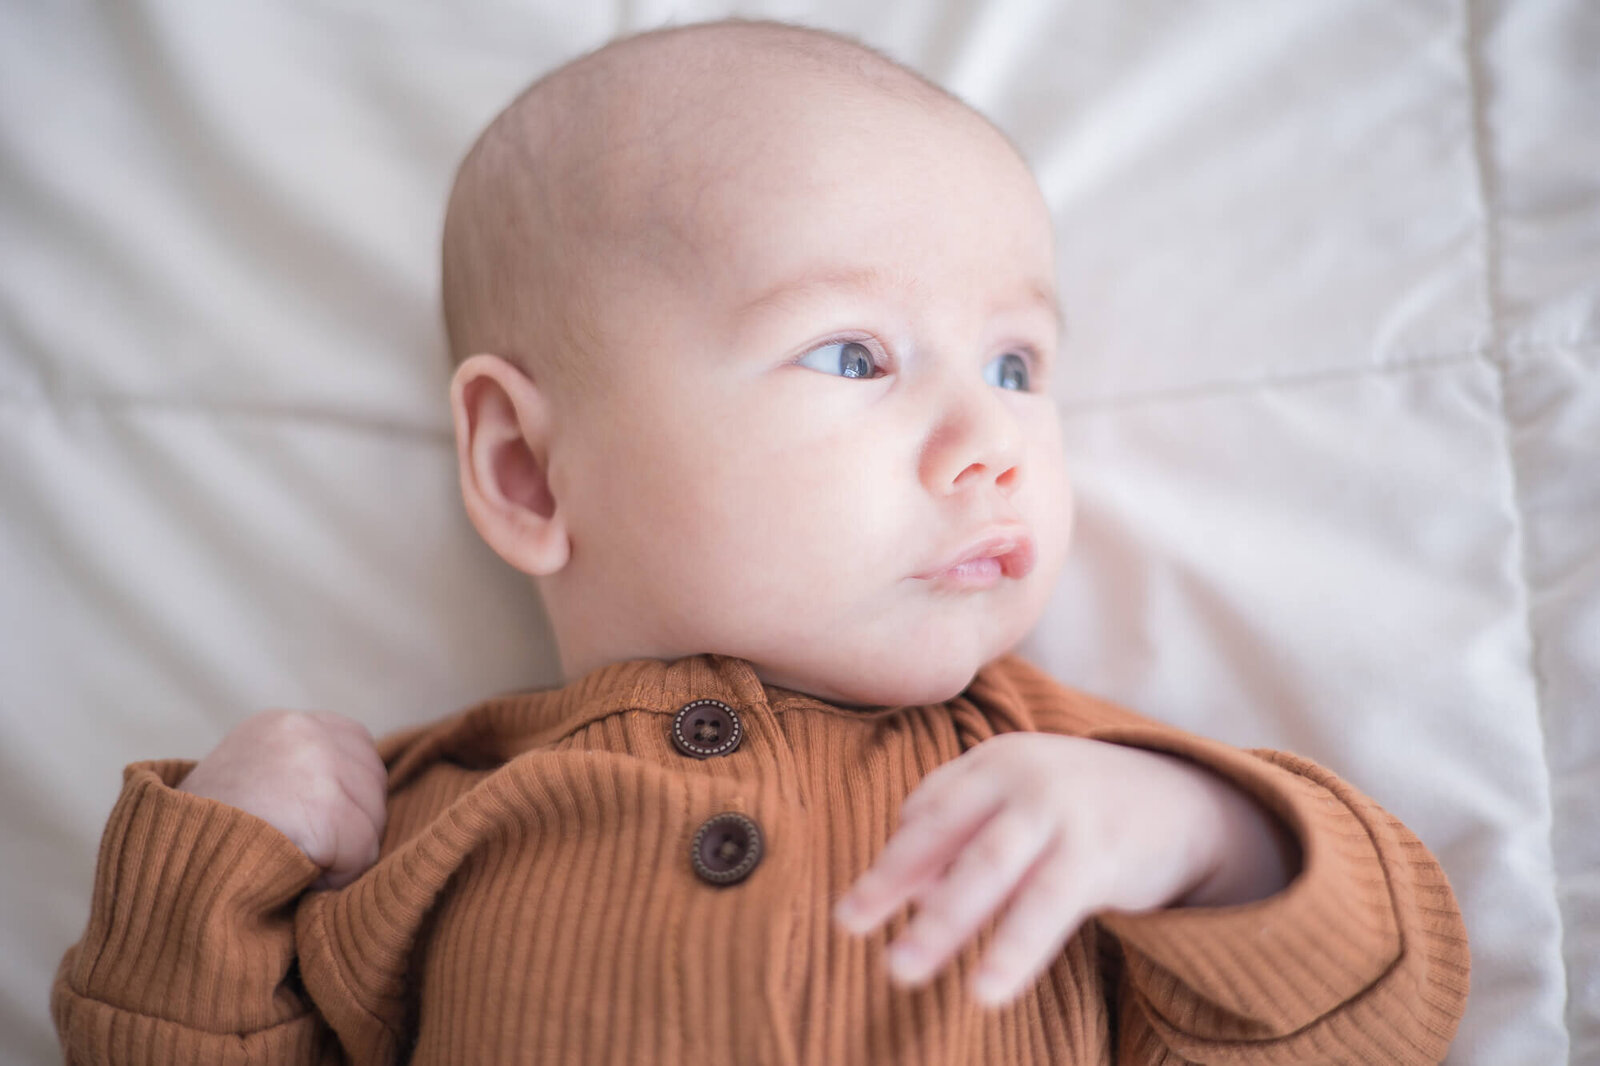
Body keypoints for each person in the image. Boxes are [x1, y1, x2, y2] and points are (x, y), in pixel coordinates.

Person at [52, 18, 1469, 1065]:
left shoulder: (1063, 795)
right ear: (528, 471)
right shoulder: (425, 821)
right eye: (854, 354)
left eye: (1021, 366)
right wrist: (212, 872)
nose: (992, 437)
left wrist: (1209, 840)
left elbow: (1387, 1019)